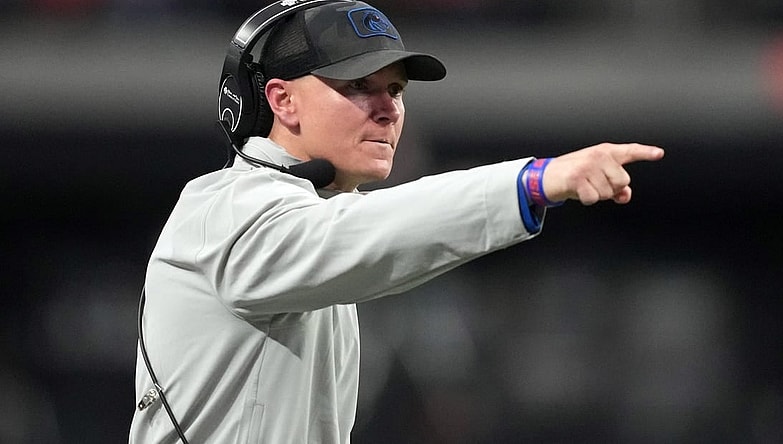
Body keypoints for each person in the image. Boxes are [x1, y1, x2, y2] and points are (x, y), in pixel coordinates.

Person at [129, 1, 664, 443]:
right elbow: (363, 234)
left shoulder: (306, 211)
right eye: (359, 85)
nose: (388, 109)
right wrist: (529, 181)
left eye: (397, 90)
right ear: (282, 99)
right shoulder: (226, 209)